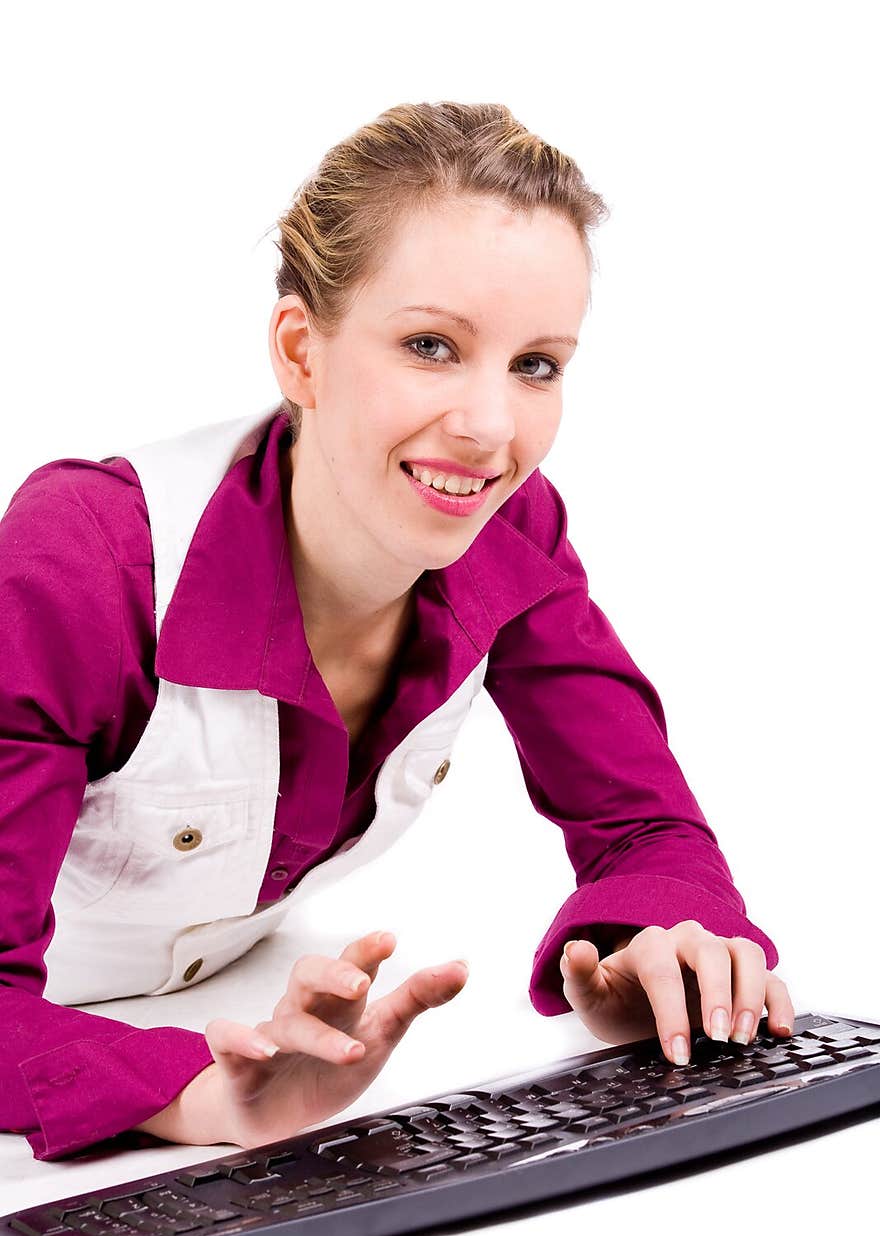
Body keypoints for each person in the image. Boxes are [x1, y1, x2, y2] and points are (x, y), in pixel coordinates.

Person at [0, 100, 794, 1163]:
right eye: (431, 345)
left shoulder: (510, 535)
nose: (490, 428)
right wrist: (200, 1094)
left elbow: (644, 825)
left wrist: (653, 940)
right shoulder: (83, 565)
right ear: (301, 351)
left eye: (536, 364)